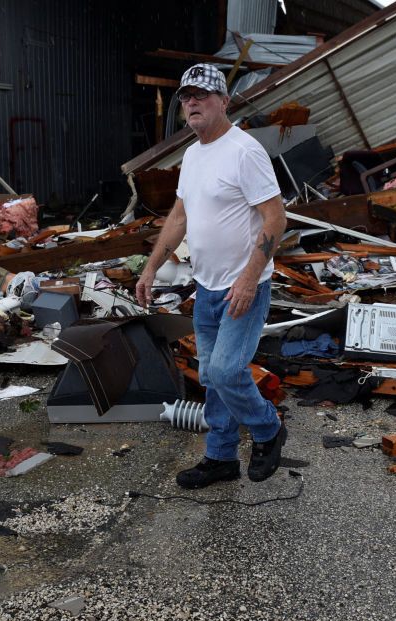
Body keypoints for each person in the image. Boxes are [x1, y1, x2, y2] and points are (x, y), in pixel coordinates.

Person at [135, 63, 288, 489]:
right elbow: (180, 216)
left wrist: (248, 277)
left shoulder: (244, 151)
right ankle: (220, 458)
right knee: (211, 377)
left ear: (224, 101)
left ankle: (268, 428)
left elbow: (276, 221)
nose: (192, 102)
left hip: (244, 287)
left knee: (225, 371)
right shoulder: (193, 155)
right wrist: (151, 268)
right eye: (186, 96)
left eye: (202, 94)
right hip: (206, 285)